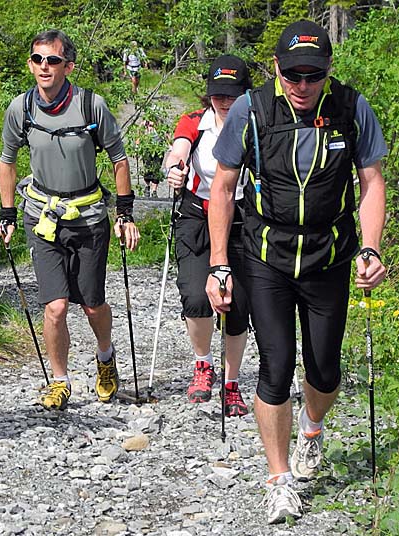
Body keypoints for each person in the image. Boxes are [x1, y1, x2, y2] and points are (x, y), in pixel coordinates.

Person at [205, 21, 387, 524]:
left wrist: (371, 247)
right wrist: (218, 264)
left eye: (313, 75)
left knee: (324, 369)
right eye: (292, 75)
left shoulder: (351, 109)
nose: (302, 85)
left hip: (329, 255)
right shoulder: (252, 109)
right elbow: (222, 188)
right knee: (277, 364)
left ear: (328, 70)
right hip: (268, 255)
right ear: (277, 69)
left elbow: (371, 181)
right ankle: (279, 480)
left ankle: (311, 427)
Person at [0, 29, 140, 411]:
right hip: (42, 217)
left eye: (52, 60)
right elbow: (7, 162)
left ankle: (105, 357)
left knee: (92, 305)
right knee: (55, 306)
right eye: (37, 59)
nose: (44, 66)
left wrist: (124, 213)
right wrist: (6, 215)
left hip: (88, 217)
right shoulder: (20, 108)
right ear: (30, 64)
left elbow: (119, 160)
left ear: (68, 66)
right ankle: (60, 381)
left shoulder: (91, 106)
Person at [164, 55, 253, 416]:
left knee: (238, 302)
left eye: (232, 94)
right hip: (197, 213)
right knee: (195, 295)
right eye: (218, 94)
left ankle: (232, 383)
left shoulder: (256, 123)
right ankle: (203, 364)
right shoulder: (194, 122)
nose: (225, 101)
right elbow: (178, 149)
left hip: (244, 215)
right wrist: (174, 168)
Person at [137, 118, 164, 198]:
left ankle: (154, 190)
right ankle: (147, 186)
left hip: (159, 149)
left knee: (156, 168)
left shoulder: (159, 125)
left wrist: (170, 145)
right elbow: (139, 134)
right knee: (147, 167)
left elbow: (165, 133)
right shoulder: (145, 125)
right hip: (147, 148)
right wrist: (137, 146)